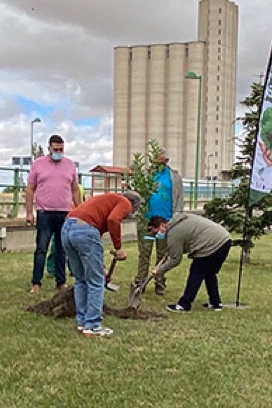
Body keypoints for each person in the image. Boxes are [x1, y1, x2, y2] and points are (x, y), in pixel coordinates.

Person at [62, 191, 139, 336]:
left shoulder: (106, 200)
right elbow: (113, 220)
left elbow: (96, 234)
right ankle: (92, 325)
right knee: (96, 281)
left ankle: (82, 322)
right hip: (85, 230)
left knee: (81, 279)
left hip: (67, 228)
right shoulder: (125, 202)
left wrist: (101, 267)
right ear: (134, 205)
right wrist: (118, 248)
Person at [26, 135, 81, 294]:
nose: (58, 152)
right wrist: (29, 212)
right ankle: (36, 282)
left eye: (61, 150)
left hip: (64, 213)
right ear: (49, 148)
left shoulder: (70, 165)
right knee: (41, 248)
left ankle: (60, 282)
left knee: (61, 249)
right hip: (44, 212)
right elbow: (30, 188)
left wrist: (80, 208)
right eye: (55, 149)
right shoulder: (38, 164)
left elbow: (75, 189)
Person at [148, 213, 232, 312]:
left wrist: (159, 271)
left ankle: (184, 304)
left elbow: (175, 259)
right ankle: (215, 303)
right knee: (209, 273)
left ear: (162, 225)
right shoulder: (178, 222)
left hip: (211, 244)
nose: (157, 235)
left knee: (196, 272)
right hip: (224, 240)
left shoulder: (173, 233)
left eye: (156, 232)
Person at [135, 149, 184, 296]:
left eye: (162, 162)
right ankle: (140, 282)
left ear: (166, 161)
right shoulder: (147, 175)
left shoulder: (174, 177)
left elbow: (179, 198)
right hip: (147, 221)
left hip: (165, 222)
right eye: (156, 162)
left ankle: (160, 282)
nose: (159, 165)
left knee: (162, 254)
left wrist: (177, 218)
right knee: (144, 252)